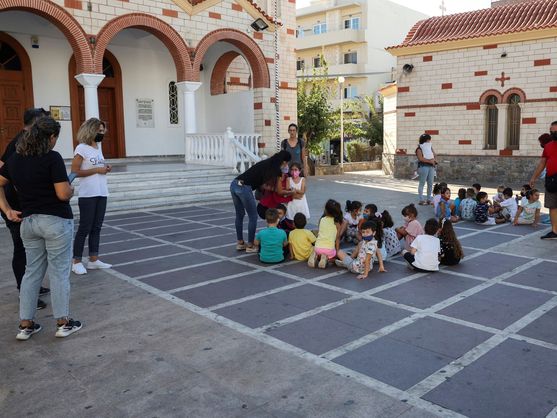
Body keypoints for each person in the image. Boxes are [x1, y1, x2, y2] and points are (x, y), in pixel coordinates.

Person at [0, 116, 82, 340]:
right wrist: (71, 190)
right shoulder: (52, 157)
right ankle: (63, 322)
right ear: (51, 137)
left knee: (31, 272)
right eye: (56, 137)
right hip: (55, 221)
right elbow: (62, 194)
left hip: (29, 222)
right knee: (58, 272)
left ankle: (26, 325)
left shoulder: (15, 158)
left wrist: (7, 209)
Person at [0, 108, 50, 310]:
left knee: (32, 250)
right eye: (45, 123)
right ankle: (24, 292)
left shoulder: (28, 141)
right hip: (15, 207)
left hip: (25, 205)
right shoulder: (19, 143)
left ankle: (32, 287)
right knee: (22, 249)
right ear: (35, 123)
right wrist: (7, 207)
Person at [71, 119, 112, 275]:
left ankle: (94, 259)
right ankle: (76, 261)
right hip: (88, 194)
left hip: (102, 192)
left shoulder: (97, 147)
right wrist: (96, 170)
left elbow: (97, 166)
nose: (101, 134)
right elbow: (74, 172)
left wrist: (106, 167)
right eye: (99, 131)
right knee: (85, 227)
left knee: (97, 227)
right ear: (90, 130)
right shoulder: (81, 148)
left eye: (103, 131)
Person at [230, 150, 292, 252]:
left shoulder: (267, 163)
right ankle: (250, 245)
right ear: (284, 161)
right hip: (244, 187)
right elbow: (277, 190)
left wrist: (273, 189)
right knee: (253, 216)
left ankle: (240, 243)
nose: (286, 165)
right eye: (287, 163)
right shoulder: (275, 169)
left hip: (234, 184)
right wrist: (286, 191)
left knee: (239, 215)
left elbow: (263, 184)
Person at [530, 121, 557, 240]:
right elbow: (542, 163)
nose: (553, 133)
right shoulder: (548, 146)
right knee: (552, 206)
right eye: (552, 131)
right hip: (551, 180)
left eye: (555, 131)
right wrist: (534, 177)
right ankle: (554, 231)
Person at [308, 199, 342, 269]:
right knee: (333, 256)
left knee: (319, 250)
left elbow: (320, 233)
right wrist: (337, 251)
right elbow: (337, 238)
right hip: (329, 249)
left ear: (326, 210)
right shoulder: (337, 223)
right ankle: (325, 258)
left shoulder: (322, 220)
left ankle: (317, 255)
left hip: (317, 247)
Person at [416, 133, 437, 205]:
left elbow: (434, 154)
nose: (430, 141)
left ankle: (429, 199)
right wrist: (430, 161)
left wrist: (434, 160)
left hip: (431, 167)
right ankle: (421, 200)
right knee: (422, 183)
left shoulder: (429, 147)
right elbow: (421, 159)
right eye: (429, 140)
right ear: (425, 140)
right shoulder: (419, 149)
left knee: (430, 183)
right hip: (423, 167)